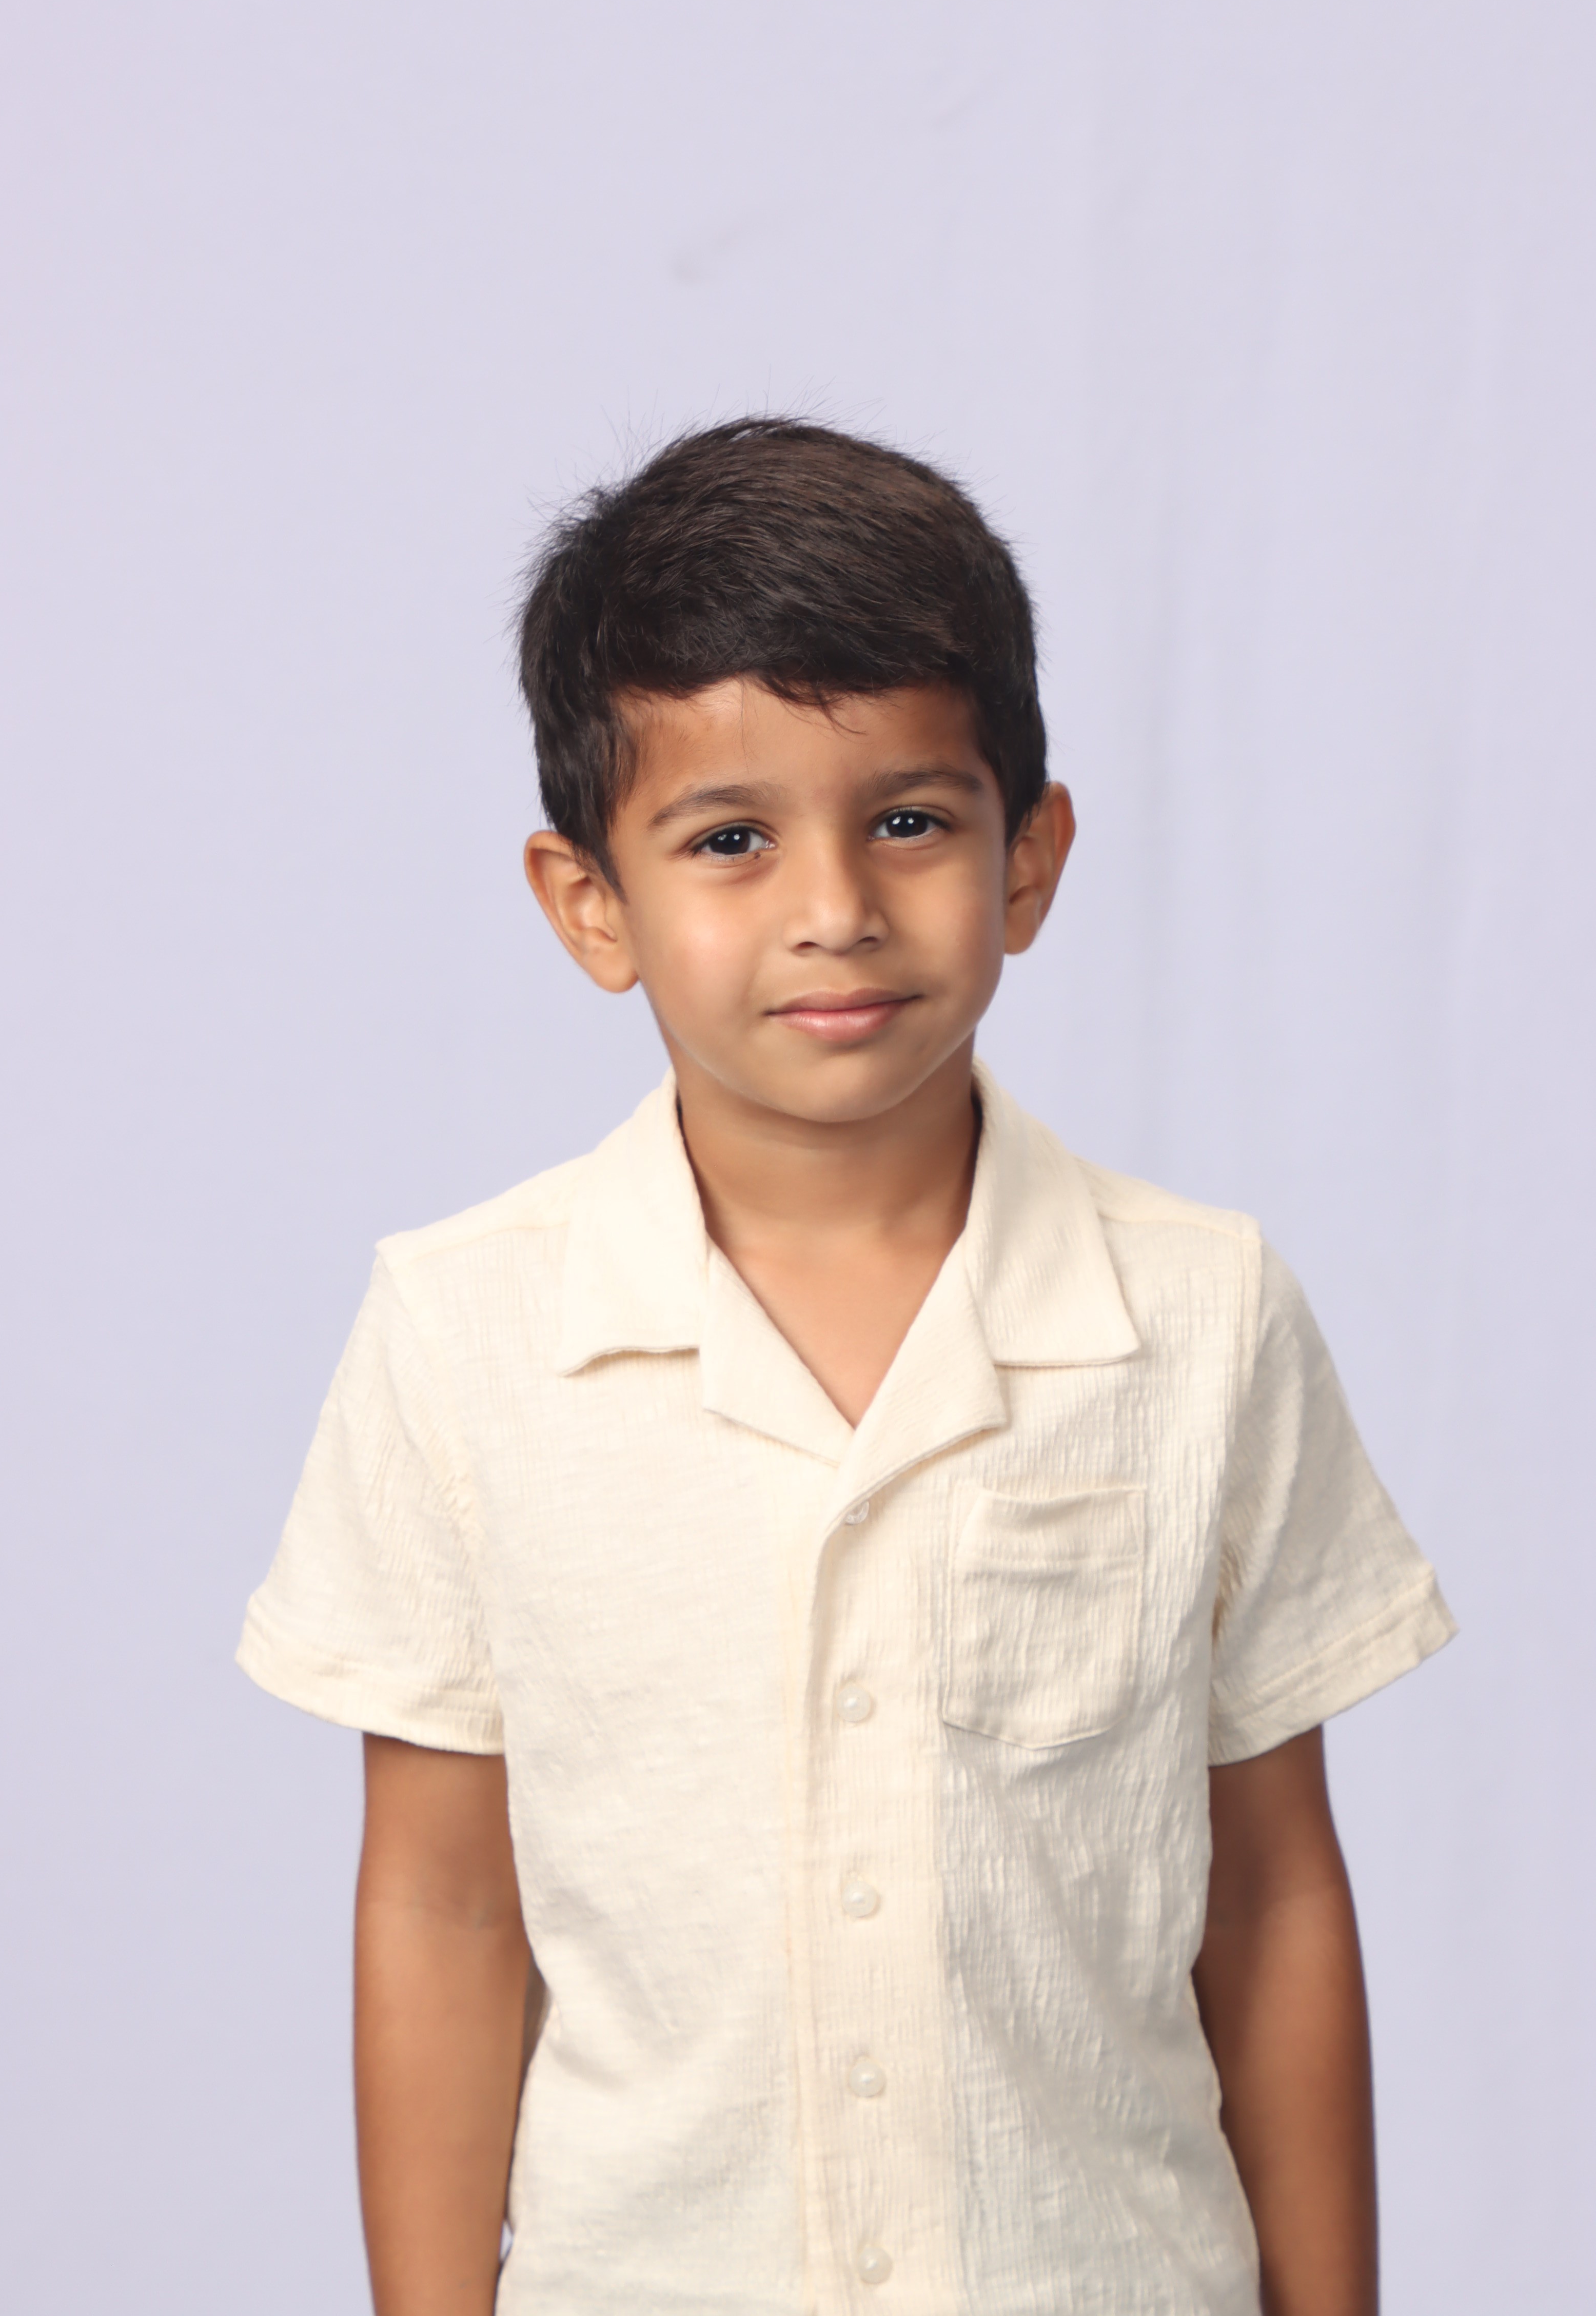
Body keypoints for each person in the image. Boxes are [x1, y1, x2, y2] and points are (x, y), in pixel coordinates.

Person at [239, 418, 1455, 2316]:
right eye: (730, 839)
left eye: (908, 821)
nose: (835, 908)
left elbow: (1274, 1892)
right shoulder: (464, 1332)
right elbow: (445, 1902)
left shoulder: (1203, 1316)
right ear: (590, 902)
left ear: (1029, 857)